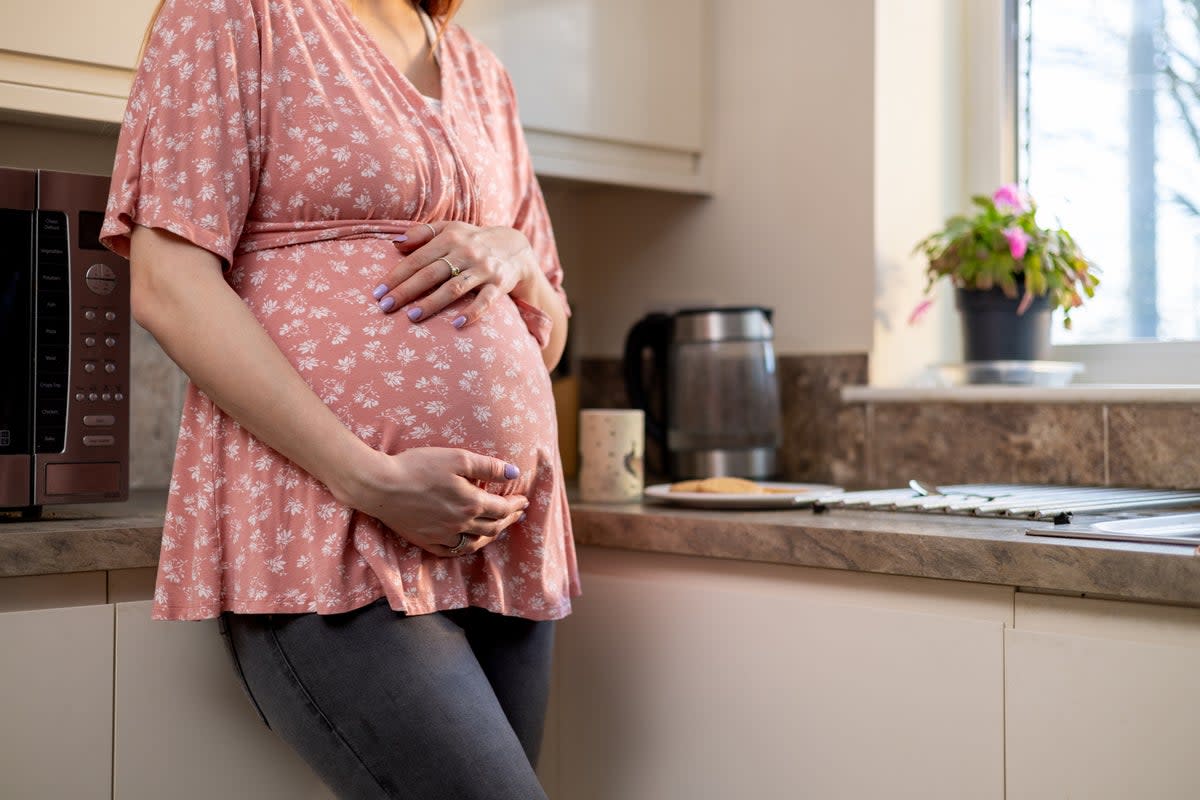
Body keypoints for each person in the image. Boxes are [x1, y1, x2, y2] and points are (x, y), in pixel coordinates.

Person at [101, 0, 577, 797]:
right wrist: (369, 477)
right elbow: (167, 283)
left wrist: (516, 255)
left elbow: (550, 330)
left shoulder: (481, 71)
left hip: (501, 546)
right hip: (328, 531)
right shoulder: (236, 14)